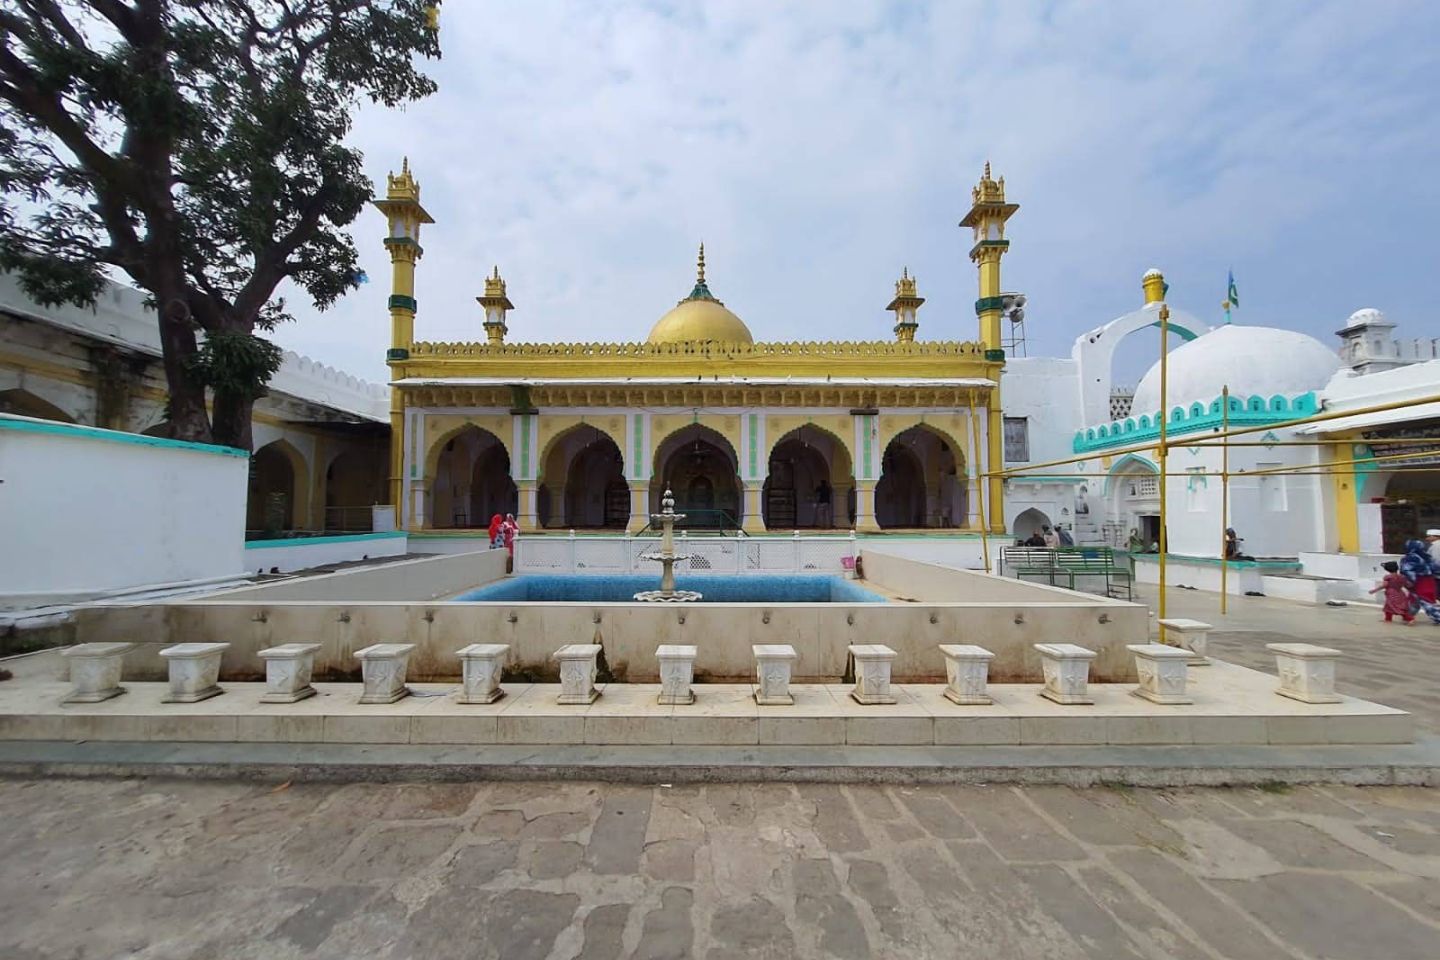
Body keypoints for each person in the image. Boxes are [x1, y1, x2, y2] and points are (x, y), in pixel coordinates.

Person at [1400, 538, 1438, 606]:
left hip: (1419, 582)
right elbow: (1434, 567)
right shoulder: (1427, 556)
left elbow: (1407, 571)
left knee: (1417, 602)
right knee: (1428, 602)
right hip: (1430, 581)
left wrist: (1409, 582)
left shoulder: (1410, 557)